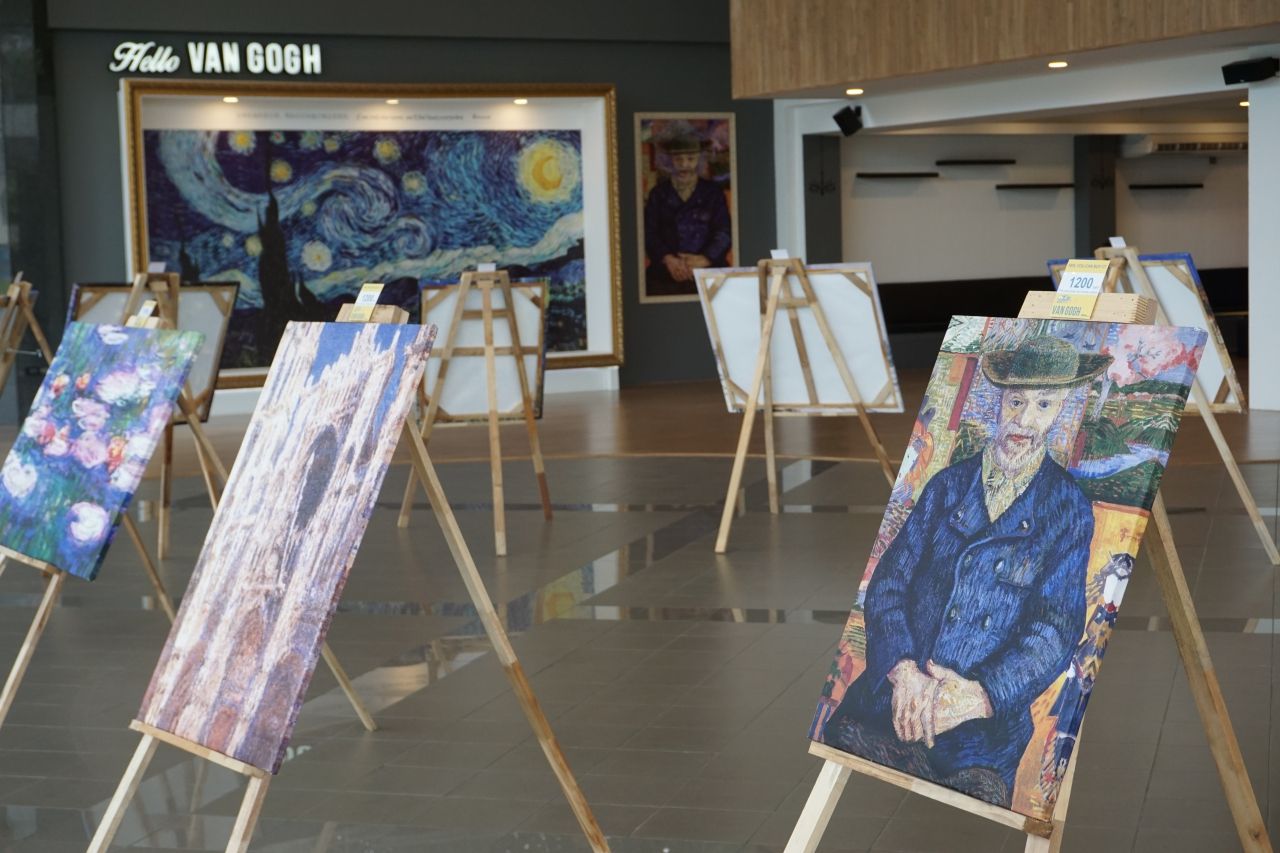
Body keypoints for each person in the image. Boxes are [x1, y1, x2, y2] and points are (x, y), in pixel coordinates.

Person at [822, 335, 1112, 807]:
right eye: (1016, 401)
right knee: (843, 743)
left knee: (978, 793)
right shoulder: (947, 486)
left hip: (982, 735)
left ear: (1061, 409)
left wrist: (980, 695)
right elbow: (888, 585)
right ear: (999, 402)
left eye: (1043, 404)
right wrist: (903, 671)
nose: (1024, 420)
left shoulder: (1068, 508)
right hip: (894, 702)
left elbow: (1054, 630)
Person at [642, 125, 732, 296]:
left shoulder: (713, 193)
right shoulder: (658, 194)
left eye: (690, 159)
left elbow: (724, 232)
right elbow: (649, 233)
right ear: (669, 161)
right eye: (678, 159)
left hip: (709, 273)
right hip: (665, 275)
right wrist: (669, 259)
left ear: (699, 159)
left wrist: (704, 259)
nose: (684, 165)